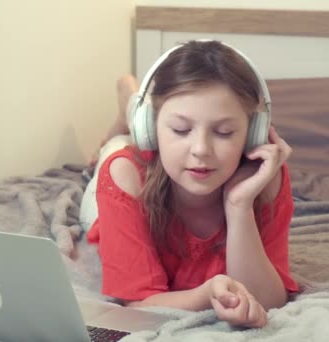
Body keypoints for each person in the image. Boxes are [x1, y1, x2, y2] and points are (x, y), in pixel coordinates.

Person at [82, 40, 298, 329]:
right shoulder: (125, 175)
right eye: (181, 130)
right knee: (113, 149)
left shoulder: (266, 179)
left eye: (224, 132)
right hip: (125, 180)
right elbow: (137, 302)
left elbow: (267, 300)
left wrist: (239, 206)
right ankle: (129, 108)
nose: (200, 150)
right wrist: (205, 294)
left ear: (252, 136)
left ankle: (133, 109)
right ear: (152, 128)